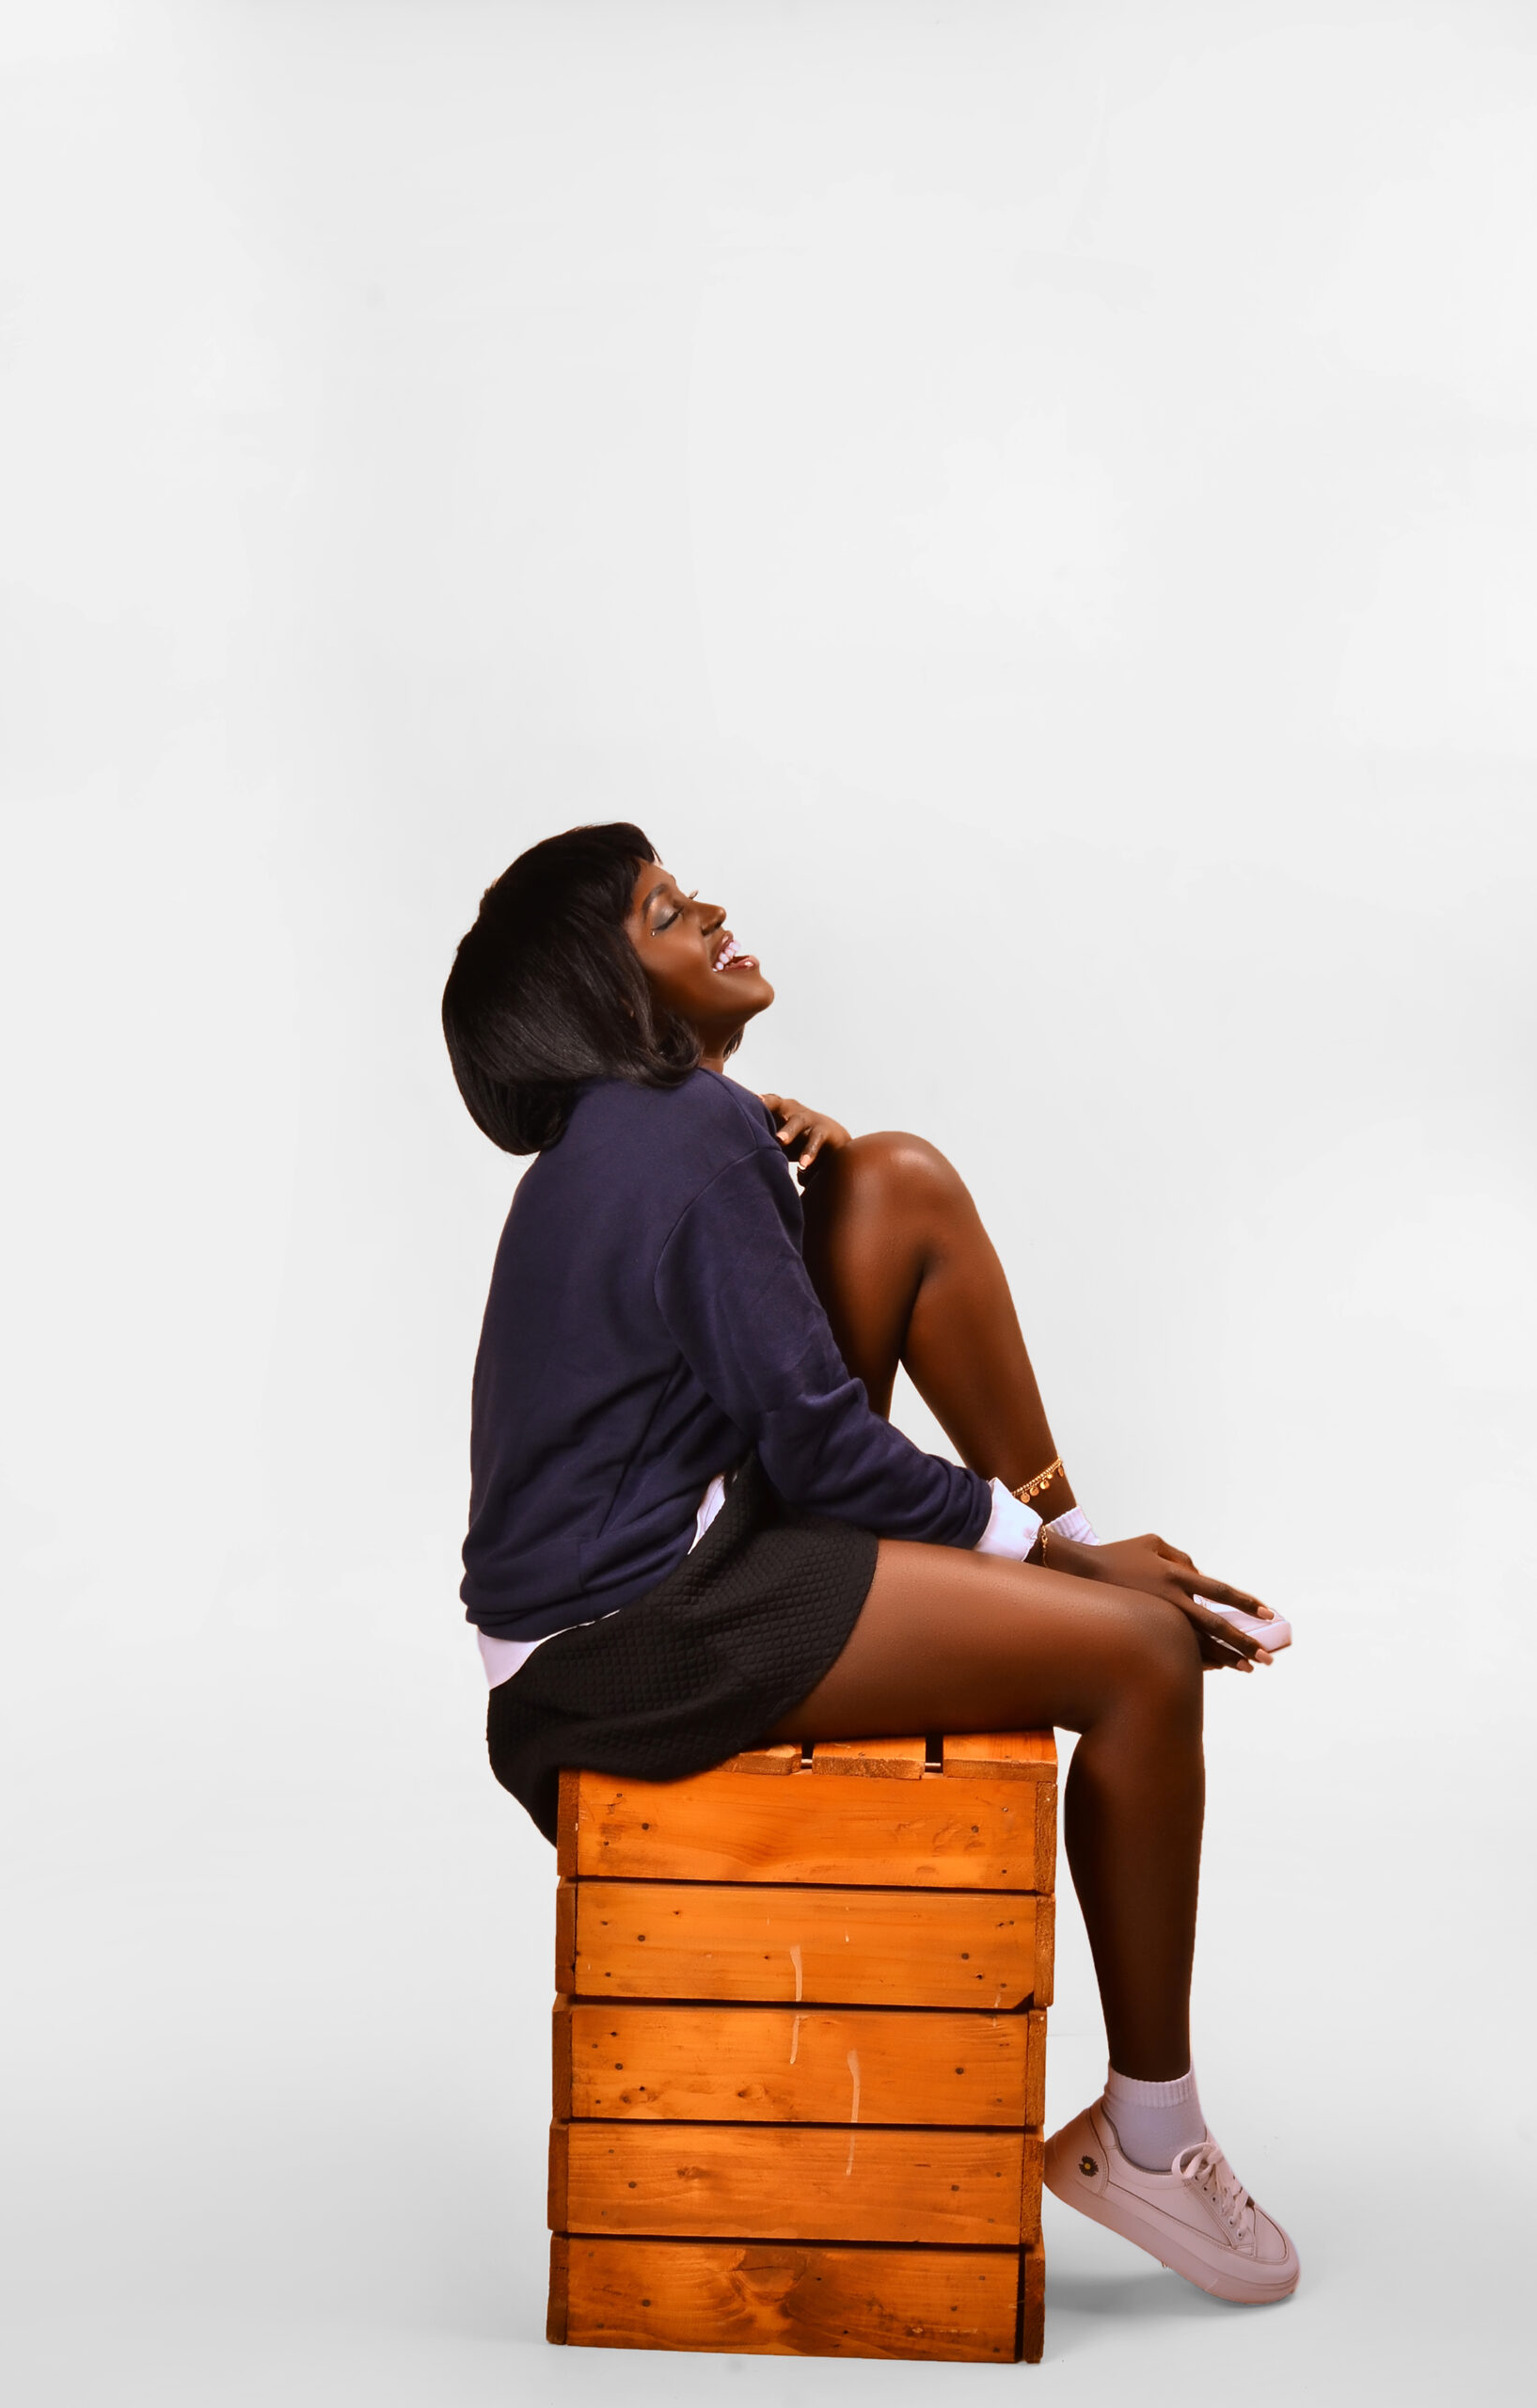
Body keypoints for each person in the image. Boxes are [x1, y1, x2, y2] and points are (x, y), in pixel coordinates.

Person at [441, 821, 1299, 2308]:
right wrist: (1070, 1577)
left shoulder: (659, 1132)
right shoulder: (685, 1135)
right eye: (665, 913)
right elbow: (828, 1453)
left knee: (894, 1181)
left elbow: (754, 1393)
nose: (710, 910)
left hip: (656, 1585)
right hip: (630, 1646)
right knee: (1145, 1660)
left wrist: (1062, 1550)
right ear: (608, 991)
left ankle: (1075, 1545)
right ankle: (1151, 2143)